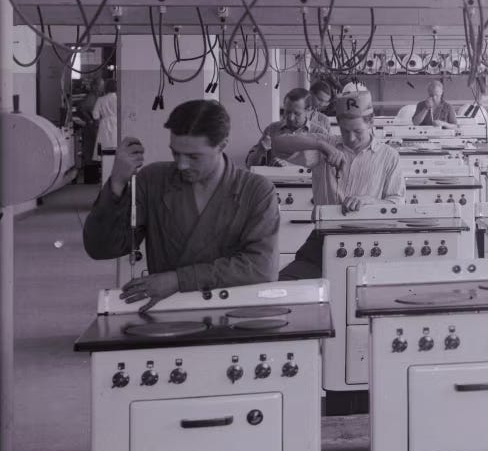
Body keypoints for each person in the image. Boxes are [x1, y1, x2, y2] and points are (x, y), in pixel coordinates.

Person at [82, 99, 280, 307]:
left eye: (194, 157)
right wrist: (116, 182)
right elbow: (101, 248)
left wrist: (178, 280)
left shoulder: (257, 190)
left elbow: (261, 268)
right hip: (167, 315)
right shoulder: (153, 180)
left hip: (234, 312)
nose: (182, 165)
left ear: (222, 145)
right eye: (176, 153)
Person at [272, 91, 407, 279]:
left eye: (357, 131)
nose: (350, 138)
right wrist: (322, 144)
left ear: (370, 122)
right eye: (344, 131)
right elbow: (278, 144)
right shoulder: (325, 147)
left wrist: (370, 202)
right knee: (286, 288)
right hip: (323, 240)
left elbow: (397, 204)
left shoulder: (389, 157)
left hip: (370, 243)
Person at [245, 88, 330, 168]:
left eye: (296, 113)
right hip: (274, 183)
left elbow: (328, 168)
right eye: (288, 112)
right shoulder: (272, 129)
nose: (291, 118)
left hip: (309, 183)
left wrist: (290, 166)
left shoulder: (321, 133)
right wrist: (260, 151)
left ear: (308, 110)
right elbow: (250, 165)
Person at [93, 79, 120, 162]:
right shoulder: (118, 99)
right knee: (115, 145)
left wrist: (99, 120)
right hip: (116, 124)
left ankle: (104, 167)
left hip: (104, 124)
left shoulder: (101, 99)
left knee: (104, 147)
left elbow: (95, 114)